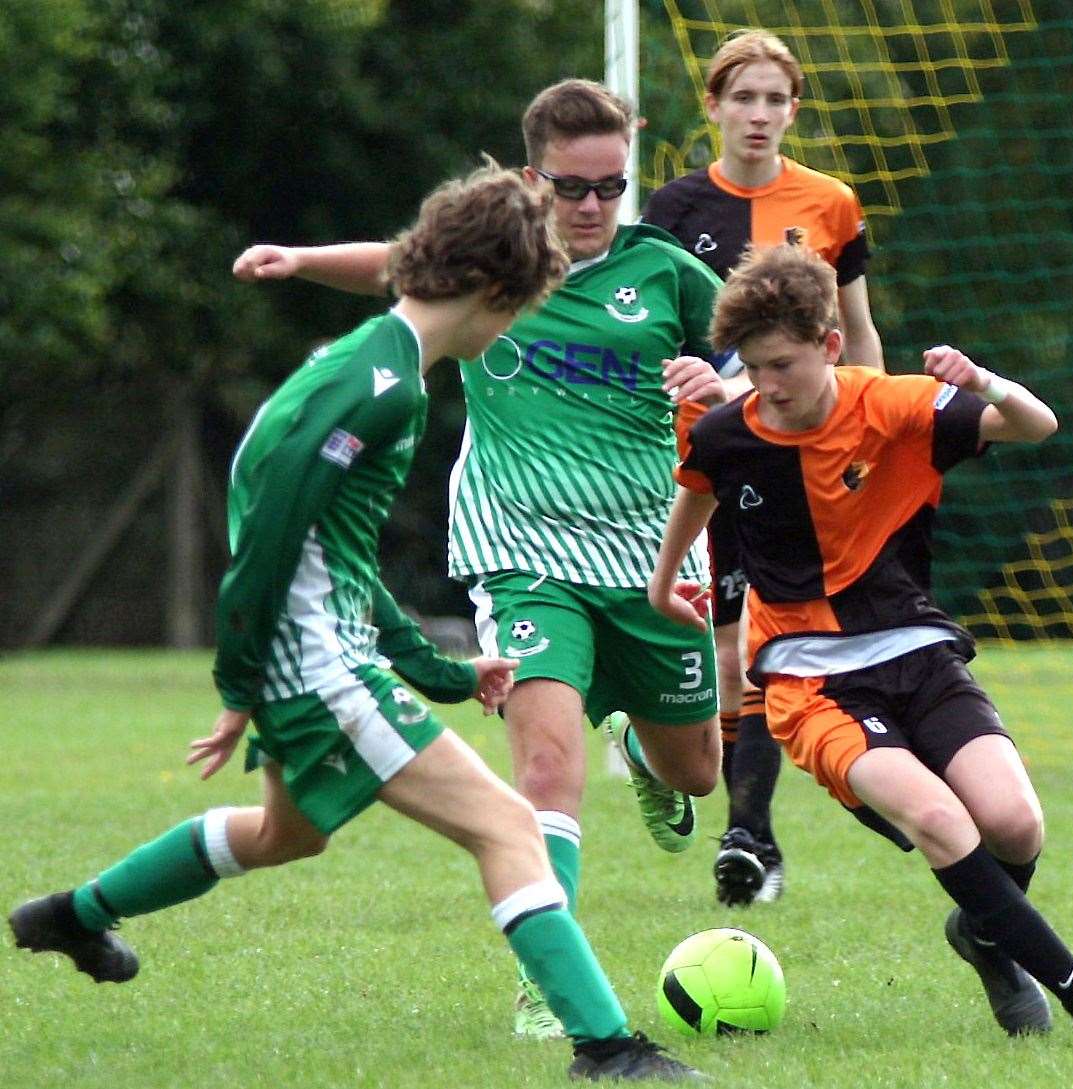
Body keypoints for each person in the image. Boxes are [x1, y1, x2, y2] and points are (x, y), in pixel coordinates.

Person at [9, 161, 696, 1080]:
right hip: (320, 668)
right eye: (519, 307)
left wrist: (442, 668)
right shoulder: (382, 391)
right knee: (509, 827)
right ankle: (610, 1049)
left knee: (286, 834)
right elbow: (269, 538)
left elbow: (334, 551)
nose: (514, 328)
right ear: (492, 291)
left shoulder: (365, 364)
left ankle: (73, 916)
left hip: (320, 656)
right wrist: (239, 687)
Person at [232, 80, 727, 1040]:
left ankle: (642, 744)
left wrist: (724, 374)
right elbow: (397, 266)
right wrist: (299, 260)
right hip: (521, 549)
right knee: (546, 771)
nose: (591, 208)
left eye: (611, 188)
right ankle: (552, 984)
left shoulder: (665, 273)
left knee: (700, 770)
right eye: (572, 188)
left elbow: (768, 353)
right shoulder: (502, 274)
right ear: (534, 178)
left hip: (653, 554)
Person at [648, 243, 1073, 1042]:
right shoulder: (726, 431)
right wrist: (665, 578)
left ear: (830, 346)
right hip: (809, 682)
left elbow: (1035, 425)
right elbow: (695, 492)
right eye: (753, 366)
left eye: (784, 365)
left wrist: (982, 381)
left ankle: (984, 935)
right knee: (944, 822)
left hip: (917, 653)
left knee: (1016, 824)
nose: (767, 386)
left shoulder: (896, 406)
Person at [642, 28, 887, 907]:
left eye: (774, 99)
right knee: (712, 650)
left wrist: (873, 426)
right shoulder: (670, 211)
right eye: (741, 97)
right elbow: (647, 337)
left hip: (804, 455)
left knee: (764, 643)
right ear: (711, 105)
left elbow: (855, 336)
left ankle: (750, 836)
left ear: (793, 110)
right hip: (704, 454)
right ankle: (668, 759)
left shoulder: (830, 203)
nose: (758, 114)